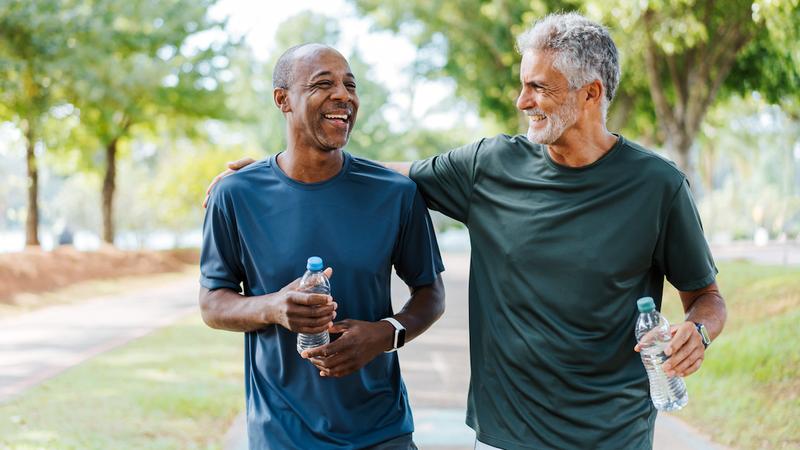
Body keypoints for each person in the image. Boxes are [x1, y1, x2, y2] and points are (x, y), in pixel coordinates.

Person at [206, 13, 727, 449]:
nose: (522, 101)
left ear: (590, 94)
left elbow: (706, 297)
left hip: (617, 433)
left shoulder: (658, 186)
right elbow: (384, 174)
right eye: (522, 85)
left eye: (538, 87)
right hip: (505, 435)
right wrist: (272, 172)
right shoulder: (490, 165)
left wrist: (697, 331)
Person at [199, 43, 445, 450]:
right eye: (323, 84)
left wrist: (385, 335)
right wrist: (274, 307)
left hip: (382, 432)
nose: (343, 95)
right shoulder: (236, 195)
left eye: (350, 85)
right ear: (283, 100)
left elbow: (431, 294)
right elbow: (212, 304)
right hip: (281, 435)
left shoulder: (396, 194)